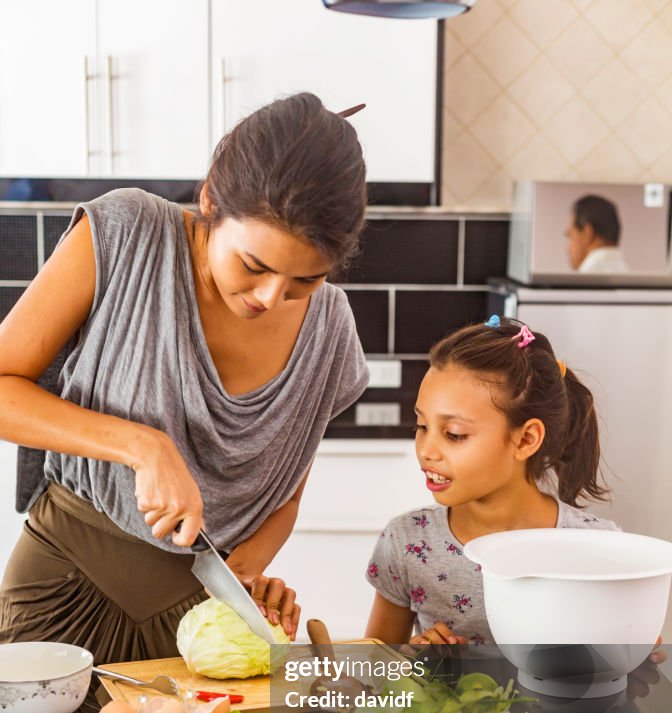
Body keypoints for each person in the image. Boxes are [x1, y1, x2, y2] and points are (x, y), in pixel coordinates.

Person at [0, 92, 369, 664]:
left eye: (305, 280)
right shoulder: (127, 234)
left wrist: (244, 576)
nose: (273, 298)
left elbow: (287, 491)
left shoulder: (332, 330)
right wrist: (142, 447)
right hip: (62, 588)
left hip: (201, 623)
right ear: (210, 199)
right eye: (254, 265)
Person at [364, 315, 619, 648]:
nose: (426, 450)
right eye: (421, 426)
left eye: (454, 434)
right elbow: (372, 670)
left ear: (526, 439)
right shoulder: (408, 542)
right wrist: (415, 661)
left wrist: (629, 660)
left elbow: (617, 678)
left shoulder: (600, 548)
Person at [566, 194, 629, 274]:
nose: (567, 249)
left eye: (570, 237)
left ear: (587, 233)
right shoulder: (624, 273)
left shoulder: (585, 279)